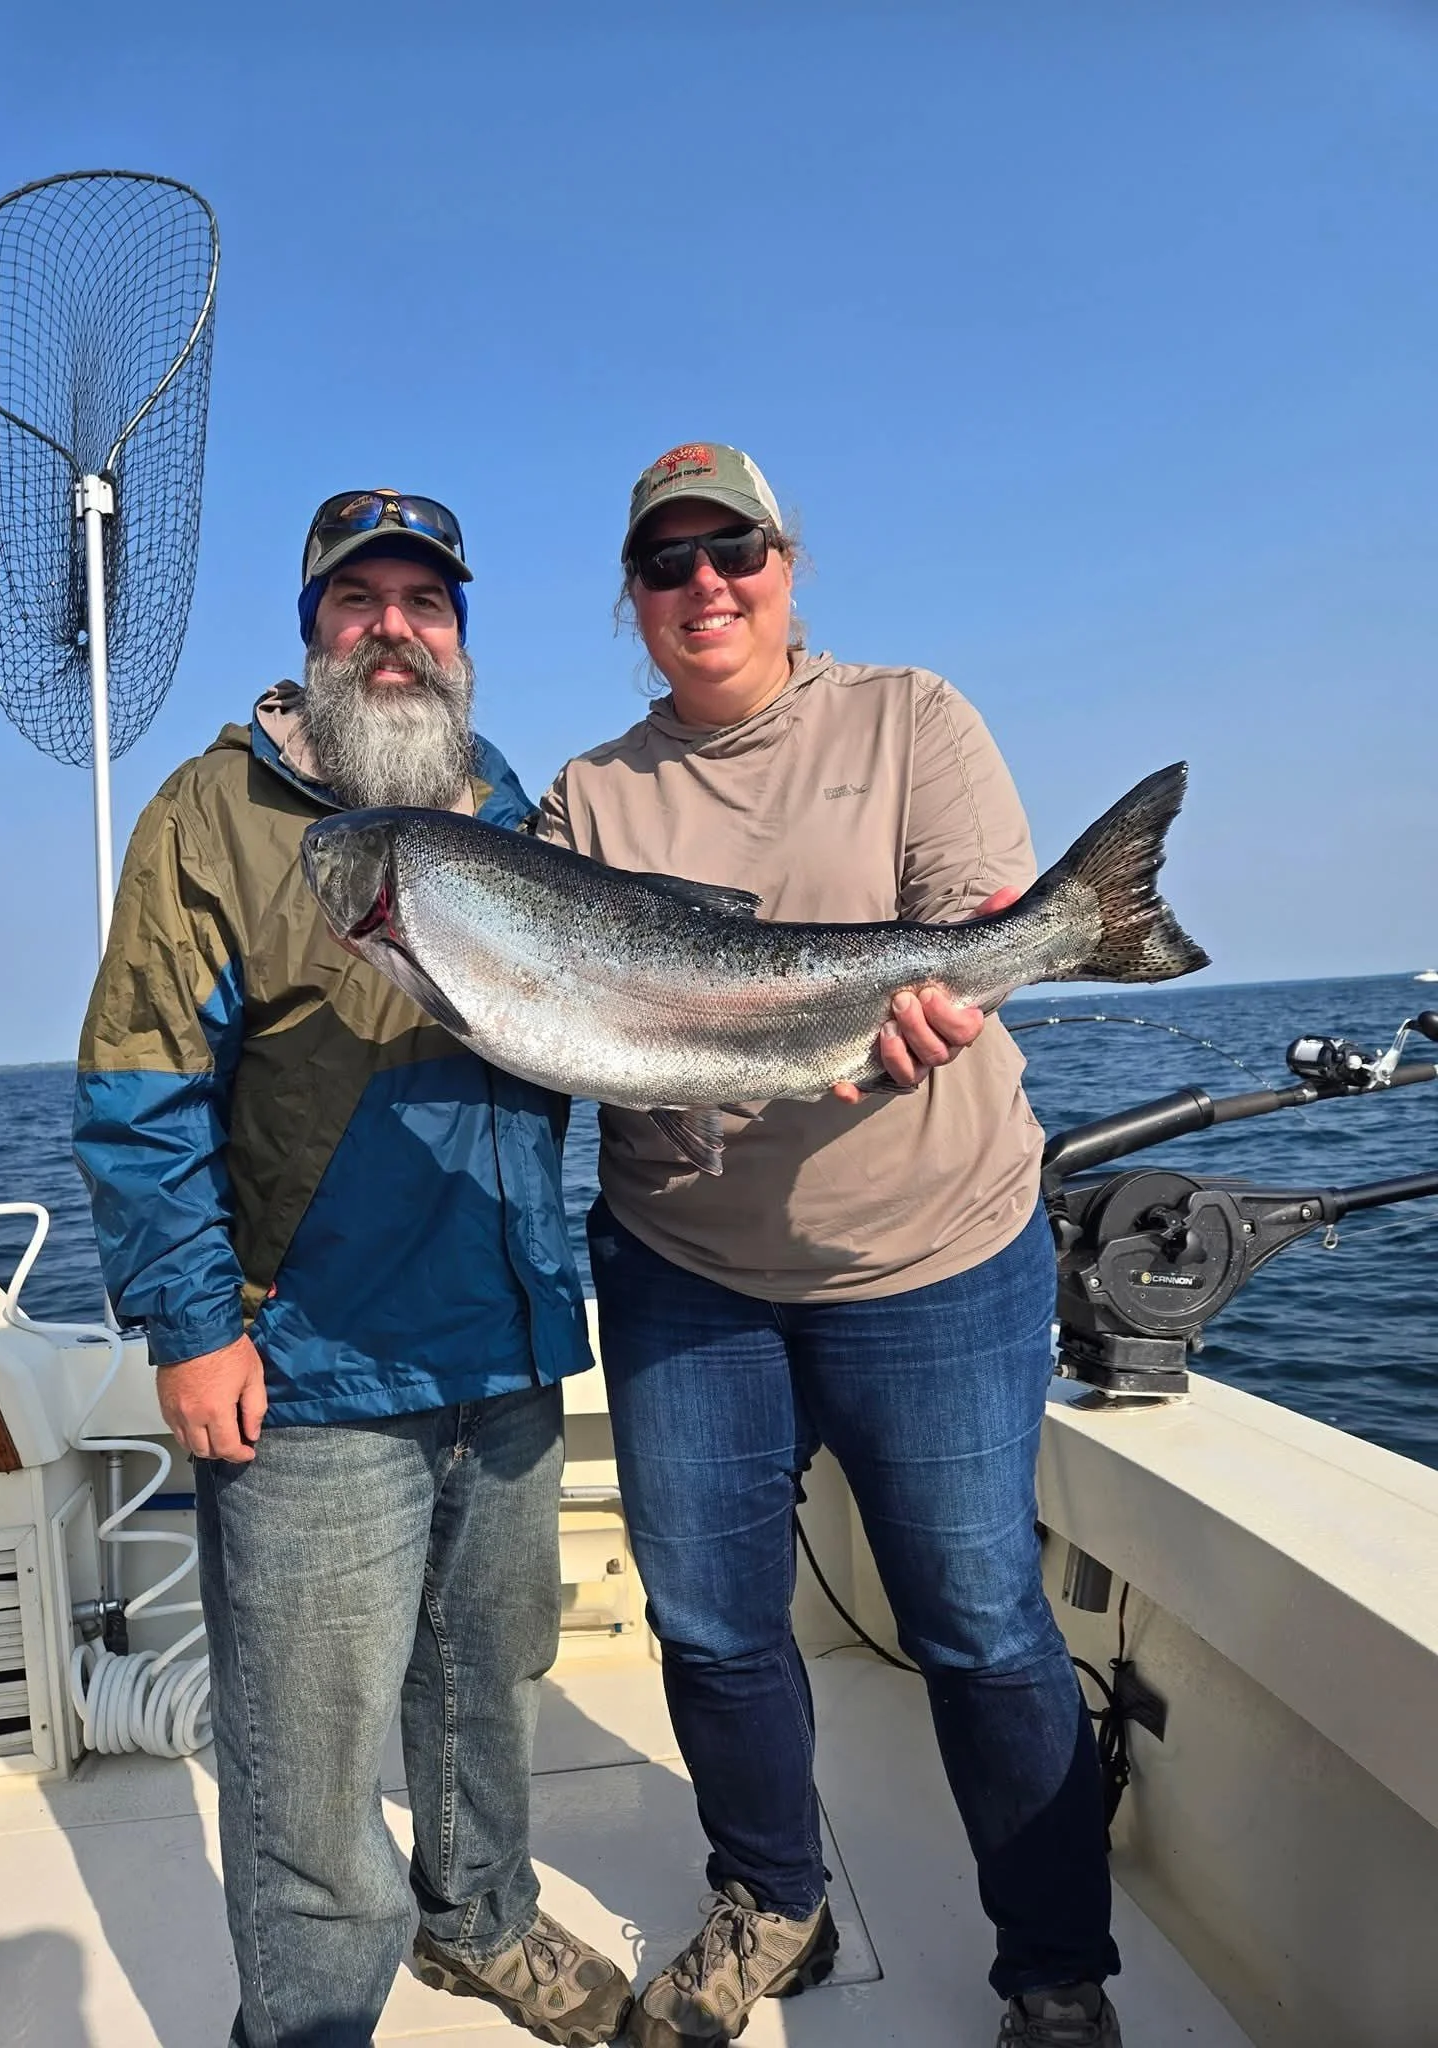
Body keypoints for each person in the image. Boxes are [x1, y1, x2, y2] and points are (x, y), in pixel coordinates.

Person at [537, 444, 1123, 2048]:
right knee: (712, 1621)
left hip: (934, 1250)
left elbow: (969, 903)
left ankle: (1056, 1968)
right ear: (634, 603)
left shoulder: (909, 717)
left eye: (735, 552)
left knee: (983, 1622)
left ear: (788, 567)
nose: (705, 587)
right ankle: (774, 1901)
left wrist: (988, 972)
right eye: (669, 566)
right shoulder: (589, 798)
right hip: (685, 1267)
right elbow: (543, 1008)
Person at [73, 489, 633, 2048]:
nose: (394, 629)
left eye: (425, 604)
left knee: (488, 1687)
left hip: (505, 1344)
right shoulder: (213, 814)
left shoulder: (522, 817)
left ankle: (482, 1924)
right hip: (307, 1366)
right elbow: (136, 1087)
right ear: (312, 632)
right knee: (309, 1765)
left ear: (460, 639)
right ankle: (311, 2022)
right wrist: (192, 1330)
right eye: (357, 601)